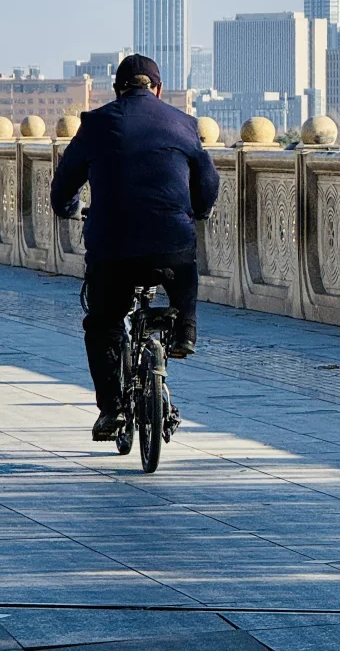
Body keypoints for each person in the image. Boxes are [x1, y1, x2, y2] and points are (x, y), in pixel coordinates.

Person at [50, 53, 220, 441]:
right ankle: (185, 331)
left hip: (112, 249)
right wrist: (200, 209)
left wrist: (68, 208)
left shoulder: (95, 124)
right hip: (170, 245)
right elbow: (208, 182)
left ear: (117, 90)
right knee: (183, 262)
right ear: (158, 89)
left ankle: (111, 409)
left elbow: (64, 185)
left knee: (103, 323)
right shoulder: (184, 123)